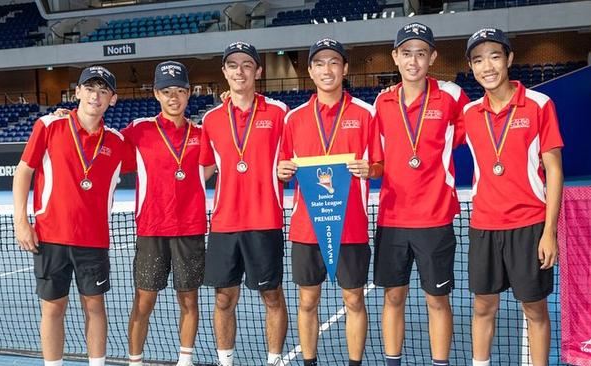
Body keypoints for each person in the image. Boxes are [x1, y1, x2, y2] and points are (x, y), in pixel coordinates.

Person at [277, 37, 383, 366]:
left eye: (334, 62)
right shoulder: (293, 119)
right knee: (307, 301)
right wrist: (282, 171)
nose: (327, 69)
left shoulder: (366, 114)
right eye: (320, 63)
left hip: (350, 228)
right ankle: (309, 362)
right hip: (306, 229)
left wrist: (371, 169)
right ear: (309, 71)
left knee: (354, 301)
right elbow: (282, 168)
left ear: (345, 68)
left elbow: (379, 165)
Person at [462, 28, 563, 366]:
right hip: (484, 226)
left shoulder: (539, 105)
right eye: (478, 60)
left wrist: (550, 232)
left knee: (534, 308)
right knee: (483, 306)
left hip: (530, 226)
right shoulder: (468, 113)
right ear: (472, 67)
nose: (486, 66)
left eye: (494, 56)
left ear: (509, 59)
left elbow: (554, 171)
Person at [372, 22, 470, 366]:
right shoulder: (382, 102)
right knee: (393, 297)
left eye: (421, 53)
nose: (413, 61)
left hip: (435, 217)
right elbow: (378, 160)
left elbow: (473, 133)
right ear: (395, 57)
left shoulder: (453, 96)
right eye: (407, 53)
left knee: (437, 300)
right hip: (392, 218)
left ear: (433, 57)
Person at [12, 66, 124, 366]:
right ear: (77, 92)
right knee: (52, 309)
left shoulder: (118, 142)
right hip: (50, 237)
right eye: (89, 89)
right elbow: (23, 171)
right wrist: (20, 221)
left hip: (93, 240)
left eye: (103, 91)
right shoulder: (48, 125)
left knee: (95, 306)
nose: (95, 96)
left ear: (112, 100)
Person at [199, 41, 289, 366]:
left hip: (265, 220)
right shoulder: (210, 120)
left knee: (272, 296)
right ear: (224, 72)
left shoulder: (279, 113)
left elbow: (292, 159)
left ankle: (275, 360)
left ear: (258, 72)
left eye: (247, 65)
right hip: (224, 224)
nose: (240, 71)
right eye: (233, 65)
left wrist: (286, 170)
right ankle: (226, 361)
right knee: (224, 298)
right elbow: (202, 169)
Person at [121, 61, 206, 366]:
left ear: (189, 93)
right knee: (144, 301)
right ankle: (135, 361)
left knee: (189, 300)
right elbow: (100, 141)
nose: (174, 97)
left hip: (190, 229)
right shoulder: (138, 130)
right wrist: (67, 117)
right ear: (156, 93)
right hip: (152, 229)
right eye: (167, 91)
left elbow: (211, 166)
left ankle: (185, 361)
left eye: (180, 91)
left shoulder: (201, 133)